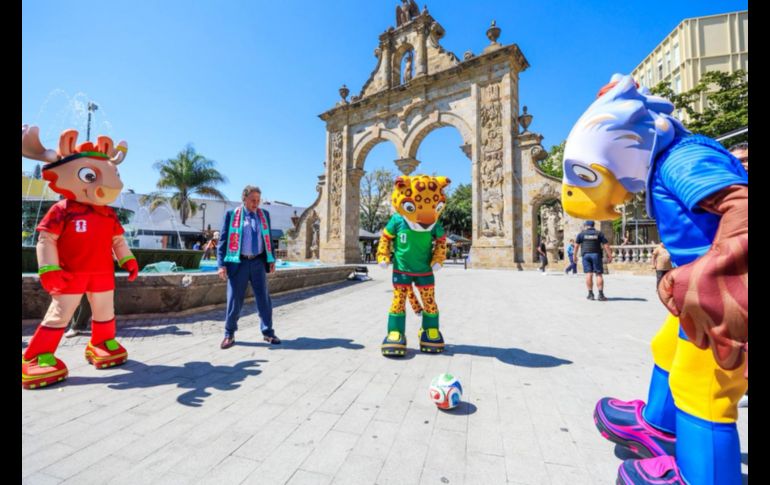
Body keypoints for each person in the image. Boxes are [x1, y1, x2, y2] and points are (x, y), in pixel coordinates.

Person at [561, 74, 747, 484]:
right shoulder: (666, 162)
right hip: (696, 299)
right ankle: (660, 430)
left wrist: (708, 275)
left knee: (704, 389)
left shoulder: (683, 160)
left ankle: (705, 477)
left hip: (719, 303)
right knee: (667, 346)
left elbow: (743, 210)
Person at [217, 185, 280, 349]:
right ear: (244, 199)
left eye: (258, 200)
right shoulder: (232, 215)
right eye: (253, 200)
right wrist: (221, 265)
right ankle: (229, 334)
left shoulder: (264, 215)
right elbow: (223, 241)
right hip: (239, 263)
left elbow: (268, 239)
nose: (256, 203)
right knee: (234, 301)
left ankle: (268, 333)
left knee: (264, 299)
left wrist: (271, 259)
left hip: (258, 262)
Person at [575, 221, 612, 301]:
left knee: (589, 274)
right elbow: (606, 245)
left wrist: (574, 256)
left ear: (586, 226)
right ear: (593, 225)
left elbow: (576, 246)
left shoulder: (581, 234)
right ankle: (601, 295)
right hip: (596, 255)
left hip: (586, 255)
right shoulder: (599, 233)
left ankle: (590, 294)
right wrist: (610, 256)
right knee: (598, 274)